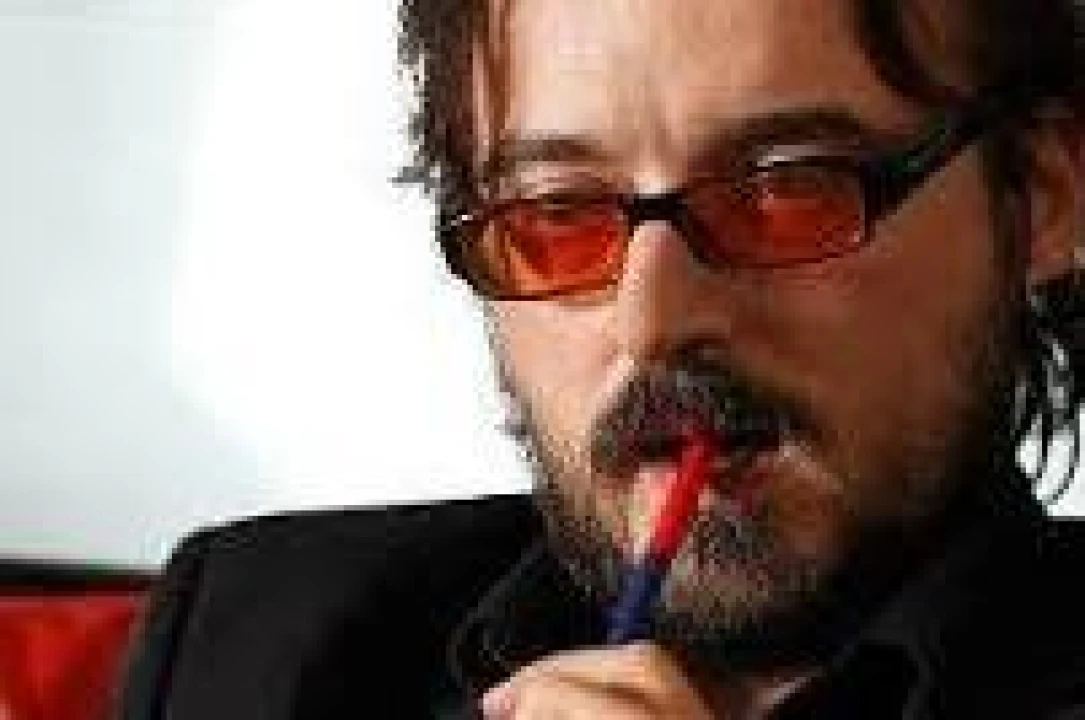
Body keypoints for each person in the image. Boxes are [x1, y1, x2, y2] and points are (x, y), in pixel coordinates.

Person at [116, 0, 1085, 717]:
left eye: (783, 191)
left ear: (1042, 195)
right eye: (556, 215)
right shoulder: (247, 640)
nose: (651, 321)